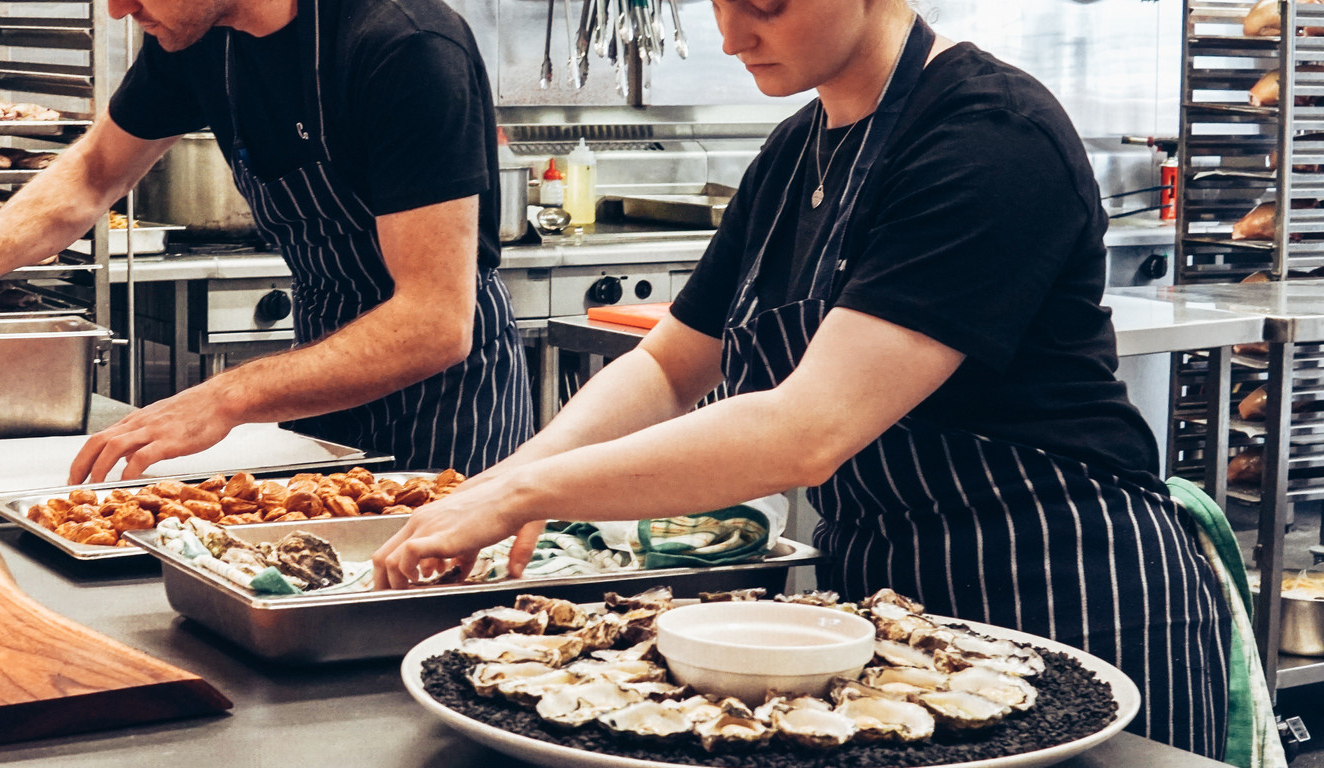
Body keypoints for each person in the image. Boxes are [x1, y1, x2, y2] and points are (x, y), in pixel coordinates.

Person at [371, 0, 1229, 757]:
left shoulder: (988, 137)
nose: (734, 34)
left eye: (768, 4)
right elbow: (671, 365)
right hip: (888, 613)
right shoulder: (794, 157)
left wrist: (529, 494)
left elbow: (808, 430)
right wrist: (512, 479)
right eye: (719, 0)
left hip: (1067, 591)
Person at [0, 0, 533, 482]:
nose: (117, 9)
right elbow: (94, 174)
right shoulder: (197, 42)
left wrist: (225, 397)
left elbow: (435, 323)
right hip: (321, 382)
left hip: (449, 411)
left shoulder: (401, 45)